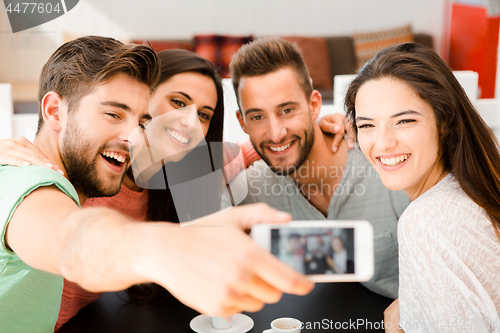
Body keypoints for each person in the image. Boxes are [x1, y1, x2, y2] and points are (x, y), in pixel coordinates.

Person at [0, 36, 314, 332]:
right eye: (113, 113)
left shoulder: (168, 175)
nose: (133, 134)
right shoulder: (29, 177)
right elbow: (70, 237)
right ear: (54, 111)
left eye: (141, 121)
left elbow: (245, 152)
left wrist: (339, 125)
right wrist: (166, 249)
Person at [227, 37, 410, 299]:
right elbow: (192, 189)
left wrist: (412, 302)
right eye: (257, 117)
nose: (276, 134)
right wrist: (245, 151)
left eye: (287, 110)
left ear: (314, 105)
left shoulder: (383, 163)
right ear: (242, 122)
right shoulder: (254, 187)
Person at [344, 42, 500, 332]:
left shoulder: (425, 221)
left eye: (404, 121)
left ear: (443, 122)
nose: (383, 143)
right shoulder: (470, 192)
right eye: (367, 126)